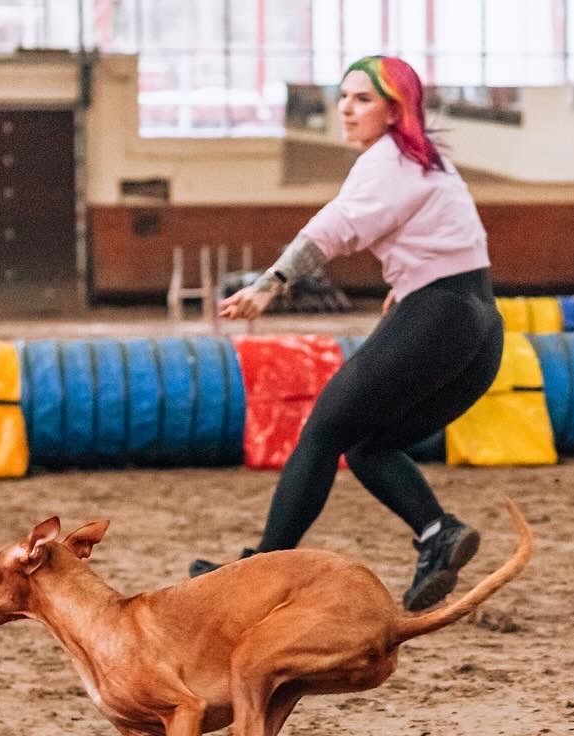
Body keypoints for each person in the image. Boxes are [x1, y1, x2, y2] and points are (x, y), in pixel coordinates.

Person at [189, 55, 503, 612]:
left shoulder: (387, 160)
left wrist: (273, 282)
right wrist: (408, 283)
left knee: (321, 431)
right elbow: (453, 241)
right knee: (365, 444)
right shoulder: (428, 160)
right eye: (343, 97)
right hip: (479, 324)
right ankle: (438, 533)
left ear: (394, 108)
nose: (346, 109)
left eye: (362, 98)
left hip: (440, 317)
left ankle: (260, 574)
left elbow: (334, 228)